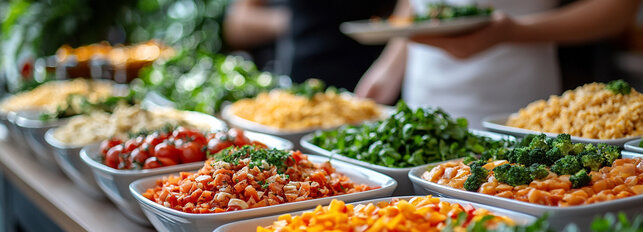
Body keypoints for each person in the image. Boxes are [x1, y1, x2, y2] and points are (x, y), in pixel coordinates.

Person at [355, 0, 642, 129]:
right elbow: (418, 6)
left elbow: (619, 8)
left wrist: (514, 32)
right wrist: (389, 66)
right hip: (420, 98)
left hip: (517, 107)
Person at [224, 0, 397, 90]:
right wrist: (301, 22)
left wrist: (391, 66)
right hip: (301, 81)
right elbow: (237, 24)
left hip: (371, 77)